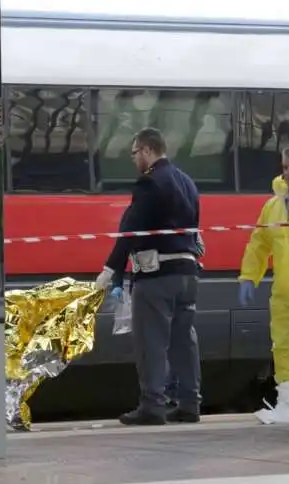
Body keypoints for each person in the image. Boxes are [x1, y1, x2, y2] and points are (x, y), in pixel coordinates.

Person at [95, 127, 202, 426]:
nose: (133, 160)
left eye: (134, 153)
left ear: (146, 150)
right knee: (184, 340)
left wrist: (111, 269)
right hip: (187, 272)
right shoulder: (187, 182)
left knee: (151, 342)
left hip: (157, 275)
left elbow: (132, 229)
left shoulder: (149, 182)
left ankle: (153, 406)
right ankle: (190, 404)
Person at [238, 144, 289, 424]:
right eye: (285, 167)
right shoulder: (273, 206)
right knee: (285, 347)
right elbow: (259, 244)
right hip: (286, 291)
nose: (288, 173)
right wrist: (248, 276)